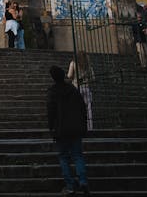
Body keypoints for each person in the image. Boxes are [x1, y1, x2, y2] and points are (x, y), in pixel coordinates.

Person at [47, 65, 90, 196]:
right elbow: (82, 107)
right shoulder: (72, 89)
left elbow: (51, 111)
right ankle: (83, 182)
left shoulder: (52, 91)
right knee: (78, 155)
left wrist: (51, 127)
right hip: (75, 128)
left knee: (64, 158)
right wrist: (83, 124)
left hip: (61, 129)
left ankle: (70, 186)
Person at [67, 51, 93, 130]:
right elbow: (93, 78)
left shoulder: (73, 63)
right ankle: (90, 127)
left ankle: (78, 126)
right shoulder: (88, 65)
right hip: (86, 87)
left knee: (76, 108)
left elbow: (69, 75)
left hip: (76, 88)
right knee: (88, 109)